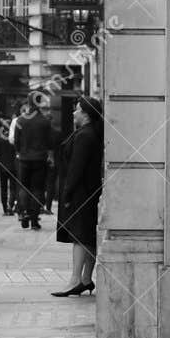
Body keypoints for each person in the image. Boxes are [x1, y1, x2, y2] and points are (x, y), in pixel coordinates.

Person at [54, 96, 104, 297]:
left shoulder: (84, 135)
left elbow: (76, 167)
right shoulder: (91, 133)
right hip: (90, 190)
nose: (73, 113)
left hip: (80, 192)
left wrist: (67, 192)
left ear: (85, 114)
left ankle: (75, 279)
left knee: (79, 237)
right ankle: (85, 279)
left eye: (76, 110)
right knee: (88, 236)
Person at [14, 98, 55, 230]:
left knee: (24, 187)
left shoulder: (20, 120)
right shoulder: (45, 121)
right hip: (40, 159)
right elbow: (50, 142)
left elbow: (16, 141)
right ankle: (34, 219)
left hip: (24, 158)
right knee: (38, 189)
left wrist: (20, 151)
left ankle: (24, 212)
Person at [0, 117, 17, 217]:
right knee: (13, 188)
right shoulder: (13, 140)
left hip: (2, 167)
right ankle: (11, 206)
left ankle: (5, 209)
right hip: (13, 167)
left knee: (3, 189)